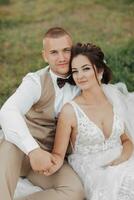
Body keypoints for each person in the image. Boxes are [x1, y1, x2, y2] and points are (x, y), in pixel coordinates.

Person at [0, 28, 85, 200]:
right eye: (54, 52)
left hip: (51, 160)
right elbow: (8, 111)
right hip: (22, 153)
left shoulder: (83, 79)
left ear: (73, 51)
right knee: (9, 143)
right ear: (45, 56)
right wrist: (33, 151)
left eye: (66, 50)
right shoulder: (36, 81)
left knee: (75, 191)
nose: (61, 58)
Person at [45, 43, 134, 200]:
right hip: (93, 171)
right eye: (75, 71)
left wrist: (122, 159)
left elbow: (126, 140)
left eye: (85, 68)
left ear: (99, 71)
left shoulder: (113, 99)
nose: (80, 76)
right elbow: (58, 154)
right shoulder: (70, 111)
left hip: (123, 159)